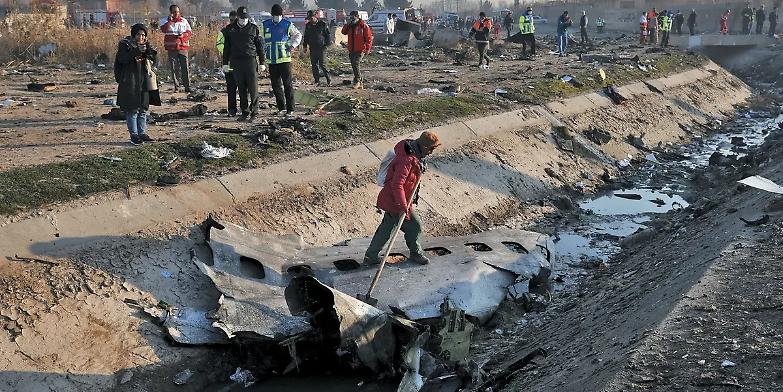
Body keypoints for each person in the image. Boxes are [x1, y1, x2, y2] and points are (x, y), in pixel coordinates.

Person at [364, 131, 441, 266]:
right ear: (424, 147)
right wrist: (401, 206)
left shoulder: (416, 156)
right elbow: (397, 184)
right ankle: (415, 254)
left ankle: (371, 256)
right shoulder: (406, 160)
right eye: (431, 149)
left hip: (402, 200)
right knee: (413, 226)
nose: (432, 152)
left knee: (388, 228)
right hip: (396, 201)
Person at [114, 23, 157, 145]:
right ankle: (134, 135)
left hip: (143, 81)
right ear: (133, 34)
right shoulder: (125, 44)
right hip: (130, 81)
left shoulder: (146, 45)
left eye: (143, 35)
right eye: (139, 34)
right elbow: (123, 59)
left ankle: (142, 133)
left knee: (143, 109)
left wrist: (149, 52)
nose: (141, 37)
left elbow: (154, 60)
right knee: (132, 110)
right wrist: (136, 51)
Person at [222, 6, 266, 121]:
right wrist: (225, 63)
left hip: (250, 61)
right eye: (242, 18)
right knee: (241, 88)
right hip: (236, 62)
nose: (244, 20)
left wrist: (262, 62)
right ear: (238, 17)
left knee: (253, 88)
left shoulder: (253, 28)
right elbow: (227, 48)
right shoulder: (230, 29)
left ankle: (254, 112)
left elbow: (260, 47)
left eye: (246, 18)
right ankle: (245, 112)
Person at [263, 4, 302, 115]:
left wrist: (292, 45)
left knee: (288, 85)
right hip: (272, 60)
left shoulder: (287, 24)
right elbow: (260, 39)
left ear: (282, 15)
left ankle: (291, 109)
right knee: (276, 86)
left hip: (284, 59)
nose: (277, 17)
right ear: (272, 15)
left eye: (279, 15)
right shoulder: (265, 25)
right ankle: (281, 108)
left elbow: (298, 35)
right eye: (275, 15)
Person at [159, 4, 192, 93]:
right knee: (174, 68)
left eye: (177, 12)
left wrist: (183, 35)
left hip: (183, 47)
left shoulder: (184, 21)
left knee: (185, 67)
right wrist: (170, 21)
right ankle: (176, 86)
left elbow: (189, 32)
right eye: (174, 12)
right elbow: (164, 30)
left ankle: (187, 87)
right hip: (171, 47)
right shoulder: (164, 21)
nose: (176, 13)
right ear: (170, 12)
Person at [341, 11, 372, 89]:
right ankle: (359, 81)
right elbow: (343, 32)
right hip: (351, 49)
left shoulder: (363, 26)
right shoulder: (350, 26)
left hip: (360, 49)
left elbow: (369, 38)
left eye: (353, 17)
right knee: (353, 64)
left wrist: (368, 48)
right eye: (350, 17)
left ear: (357, 16)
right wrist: (347, 24)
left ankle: (357, 81)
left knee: (355, 63)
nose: (351, 18)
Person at [216, 10, 238, 116]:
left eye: (235, 20)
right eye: (231, 20)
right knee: (231, 88)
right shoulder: (224, 31)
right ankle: (232, 110)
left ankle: (245, 108)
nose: (233, 22)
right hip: (229, 63)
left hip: (241, 64)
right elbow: (219, 44)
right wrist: (227, 52)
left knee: (244, 88)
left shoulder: (243, 30)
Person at [303, 10, 331, 86]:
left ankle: (328, 79)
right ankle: (317, 80)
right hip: (312, 48)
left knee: (322, 64)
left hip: (322, 47)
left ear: (315, 17)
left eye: (311, 18)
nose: (310, 20)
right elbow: (306, 36)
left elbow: (328, 35)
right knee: (314, 65)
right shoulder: (308, 25)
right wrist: (305, 46)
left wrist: (327, 45)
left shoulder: (322, 24)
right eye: (309, 19)